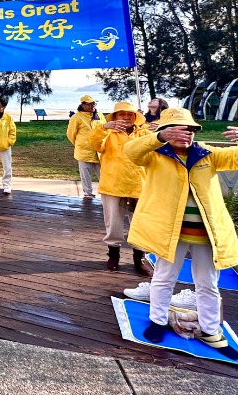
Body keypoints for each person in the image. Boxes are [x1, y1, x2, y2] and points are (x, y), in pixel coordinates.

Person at [125, 108, 238, 359]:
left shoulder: (208, 154)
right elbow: (130, 152)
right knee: (164, 278)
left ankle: (210, 331)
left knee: (208, 284)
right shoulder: (154, 155)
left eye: (187, 129)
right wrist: (158, 138)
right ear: (164, 131)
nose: (183, 134)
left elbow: (236, 158)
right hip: (170, 234)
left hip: (207, 235)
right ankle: (157, 321)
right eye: (175, 129)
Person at [89, 102, 152, 273]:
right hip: (113, 184)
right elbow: (94, 143)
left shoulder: (145, 133)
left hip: (139, 184)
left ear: (135, 117)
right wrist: (103, 127)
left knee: (141, 224)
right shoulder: (107, 134)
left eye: (129, 114)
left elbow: (157, 150)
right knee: (114, 223)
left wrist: (160, 132)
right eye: (121, 114)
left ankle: (139, 258)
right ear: (115, 117)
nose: (126, 118)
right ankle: (113, 255)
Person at [66, 95, 106, 198]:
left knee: (104, 175)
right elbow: (71, 134)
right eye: (89, 104)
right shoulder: (76, 117)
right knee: (85, 176)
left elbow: (106, 130)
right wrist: (80, 144)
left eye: (93, 103)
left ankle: (105, 194)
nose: (92, 106)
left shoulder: (99, 115)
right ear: (83, 105)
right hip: (83, 152)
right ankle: (88, 195)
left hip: (99, 151)